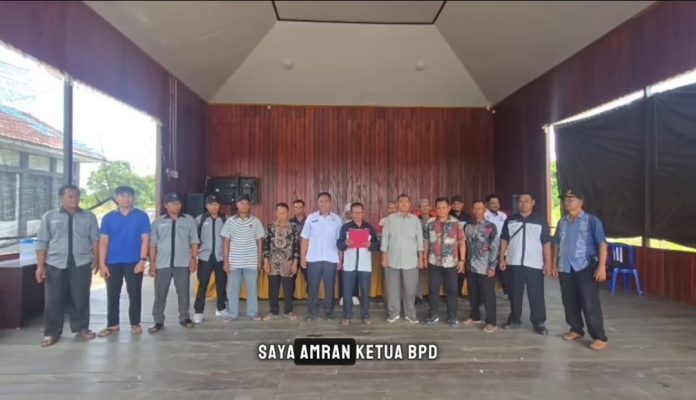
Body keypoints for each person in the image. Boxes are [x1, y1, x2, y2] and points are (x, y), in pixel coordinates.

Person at [35, 184, 99, 347]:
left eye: (77, 196)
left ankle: (82, 327)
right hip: (55, 263)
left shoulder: (88, 216)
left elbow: (95, 240)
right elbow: (42, 242)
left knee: (80, 296)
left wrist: (97, 259)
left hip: (81, 262)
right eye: (70, 196)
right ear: (61, 198)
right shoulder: (49, 217)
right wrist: (40, 266)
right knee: (54, 299)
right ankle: (52, 332)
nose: (74, 200)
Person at [552, 189, 609, 351]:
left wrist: (601, 267)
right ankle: (576, 329)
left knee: (589, 302)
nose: (567, 202)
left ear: (581, 202)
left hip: (585, 266)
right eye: (565, 199)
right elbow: (557, 243)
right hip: (565, 266)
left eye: (571, 199)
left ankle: (599, 336)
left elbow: (602, 244)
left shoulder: (591, 221)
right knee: (569, 300)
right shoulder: (562, 222)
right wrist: (554, 263)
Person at [97, 186, 151, 337]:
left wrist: (142, 260)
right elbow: (103, 241)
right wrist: (102, 264)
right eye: (122, 196)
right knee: (112, 293)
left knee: (134, 293)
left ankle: (135, 323)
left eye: (129, 196)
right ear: (116, 198)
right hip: (112, 261)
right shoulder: (108, 218)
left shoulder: (141, 216)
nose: (126, 199)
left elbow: (145, 239)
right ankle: (112, 324)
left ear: (133, 198)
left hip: (134, 261)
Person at [499, 192, 552, 335]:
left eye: (527, 201)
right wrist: (501, 258)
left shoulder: (540, 221)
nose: (523, 204)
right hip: (514, 262)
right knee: (515, 292)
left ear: (533, 202)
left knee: (536, 293)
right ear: (517, 203)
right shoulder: (511, 220)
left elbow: (546, 242)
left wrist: (548, 263)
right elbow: (504, 239)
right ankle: (514, 319)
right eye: (521, 201)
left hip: (534, 263)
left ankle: (539, 322)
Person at [149, 193, 199, 333]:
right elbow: (153, 244)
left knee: (183, 292)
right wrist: (152, 263)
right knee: (160, 293)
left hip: (182, 263)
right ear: (166, 205)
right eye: (172, 203)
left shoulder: (189, 220)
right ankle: (158, 320)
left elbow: (194, 241)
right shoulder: (158, 222)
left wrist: (193, 258)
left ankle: (184, 317)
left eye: (178, 203)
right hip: (162, 264)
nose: (176, 206)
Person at [220, 195, 266, 320]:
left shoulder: (256, 221)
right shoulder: (230, 221)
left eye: (246, 203)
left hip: (251, 261)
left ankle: (253, 313)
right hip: (234, 261)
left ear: (249, 205)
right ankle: (232, 313)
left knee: (252, 289)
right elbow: (226, 241)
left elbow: (259, 242)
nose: (244, 205)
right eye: (241, 203)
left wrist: (259, 261)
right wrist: (226, 261)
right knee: (233, 289)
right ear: (237, 205)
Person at [423, 197, 466, 327]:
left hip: (451, 263)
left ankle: (452, 316)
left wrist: (462, 260)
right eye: (438, 208)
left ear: (449, 208)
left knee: (452, 290)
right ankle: (433, 314)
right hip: (433, 262)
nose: (441, 210)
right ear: (435, 209)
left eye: (443, 208)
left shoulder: (456, 223)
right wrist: (424, 257)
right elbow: (426, 241)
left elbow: (462, 242)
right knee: (433, 290)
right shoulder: (430, 222)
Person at [381, 194, 423, 324]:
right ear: (397, 204)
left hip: (411, 261)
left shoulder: (415, 220)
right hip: (392, 260)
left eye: (406, 202)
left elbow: (420, 240)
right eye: (401, 201)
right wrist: (384, 257)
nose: (404, 204)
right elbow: (385, 239)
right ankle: (393, 313)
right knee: (392, 289)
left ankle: (410, 314)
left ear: (410, 204)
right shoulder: (390, 219)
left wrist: (421, 258)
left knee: (410, 290)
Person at [300, 192, 343, 321]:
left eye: (326, 201)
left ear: (330, 203)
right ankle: (312, 312)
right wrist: (303, 256)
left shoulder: (337, 219)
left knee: (330, 286)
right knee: (313, 286)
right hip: (314, 258)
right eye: (321, 201)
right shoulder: (311, 218)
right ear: (318, 203)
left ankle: (329, 312)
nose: (323, 203)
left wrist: (340, 258)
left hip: (331, 258)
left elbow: (340, 241)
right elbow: (305, 238)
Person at [337, 202, 380, 325]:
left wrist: (371, 244)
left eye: (360, 212)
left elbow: (377, 244)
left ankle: (365, 316)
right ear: (351, 213)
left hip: (365, 265)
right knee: (347, 292)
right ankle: (347, 316)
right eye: (355, 213)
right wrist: (345, 243)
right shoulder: (345, 227)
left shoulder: (369, 227)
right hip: (349, 265)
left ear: (363, 213)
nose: (357, 215)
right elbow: (339, 244)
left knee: (365, 292)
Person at [464, 200, 499, 333]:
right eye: (475, 208)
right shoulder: (468, 226)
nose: (477, 211)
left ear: (484, 210)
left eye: (480, 208)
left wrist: (492, 266)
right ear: (472, 210)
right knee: (473, 293)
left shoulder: (490, 226)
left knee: (488, 295)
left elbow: (494, 247)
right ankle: (475, 316)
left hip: (485, 267)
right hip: (471, 266)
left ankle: (491, 322)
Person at [192, 195, 228, 323]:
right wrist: (193, 256)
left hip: (220, 256)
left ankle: (221, 308)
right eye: (211, 204)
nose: (214, 206)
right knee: (203, 284)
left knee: (222, 283)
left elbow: (228, 238)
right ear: (206, 206)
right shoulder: (200, 219)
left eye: (216, 204)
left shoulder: (224, 219)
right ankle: (198, 311)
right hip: (204, 257)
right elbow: (194, 238)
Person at [263, 202, 301, 321]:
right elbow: (266, 245)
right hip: (273, 262)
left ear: (288, 213)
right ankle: (273, 311)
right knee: (273, 288)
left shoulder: (293, 227)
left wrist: (295, 263)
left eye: (284, 213)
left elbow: (296, 246)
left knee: (288, 288)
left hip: (288, 262)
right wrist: (266, 261)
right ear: (276, 213)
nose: (281, 215)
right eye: (279, 213)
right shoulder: (270, 226)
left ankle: (288, 311)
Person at [485, 193, 509, 299]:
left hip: (501, 249)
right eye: (493, 203)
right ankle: (487, 295)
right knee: (488, 273)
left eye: (497, 203)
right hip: (488, 250)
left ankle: (510, 293)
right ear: (487, 204)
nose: (495, 205)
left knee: (504, 272)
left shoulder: (503, 216)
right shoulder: (484, 215)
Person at [451, 195, 473, 299]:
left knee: (462, 269)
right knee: (452, 271)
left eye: (458, 204)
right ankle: (451, 293)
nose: (456, 205)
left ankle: (459, 291)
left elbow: (470, 230)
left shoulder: (467, 216)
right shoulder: (448, 215)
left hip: (464, 246)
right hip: (451, 247)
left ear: (462, 205)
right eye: (454, 203)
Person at [339, 202, 360, 307]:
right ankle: (343, 296)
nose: (349, 215)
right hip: (342, 253)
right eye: (347, 213)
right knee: (342, 275)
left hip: (354, 253)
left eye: (350, 213)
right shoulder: (340, 224)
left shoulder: (358, 224)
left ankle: (354, 295)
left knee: (355, 273)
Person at [290, 199, 308, 297]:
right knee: (291, 278)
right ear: (293, 208)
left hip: (307, 254)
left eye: (300, 207)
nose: (298, 209)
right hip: (293, 254)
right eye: (296, 207)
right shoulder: (290, 222)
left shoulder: (309, 221)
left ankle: (311, 299)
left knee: (310, 279)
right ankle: (289, 300)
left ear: (303, 208)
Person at [415, 198, 432, 305]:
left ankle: (432, 295)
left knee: (433, 275)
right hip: (419, 250)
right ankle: (418, 295)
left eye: (426, 205)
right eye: (422, 206)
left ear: (430, 207)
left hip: (433, 251)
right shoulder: (415, 220)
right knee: (418, 274)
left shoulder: (435, 220)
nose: (425, 208)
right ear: (419, 208)